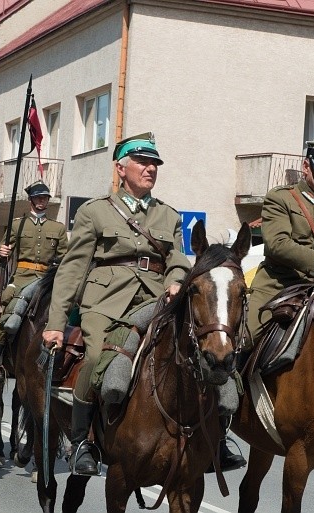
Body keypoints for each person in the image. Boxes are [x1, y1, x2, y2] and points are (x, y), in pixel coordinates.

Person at [41, 133, 191, 476]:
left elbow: (178, 259)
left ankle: (206, 435)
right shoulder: (95, 212)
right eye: (142, 161)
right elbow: (73, 268)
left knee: (197, 350)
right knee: (95, 358)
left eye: (154, 163)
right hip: (106, 302)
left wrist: (175, 281)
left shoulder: (169, 215)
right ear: (120, 168)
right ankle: (82, 440)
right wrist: (55, 322)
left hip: (155, 299)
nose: (150, 168)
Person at [247, 140, 314, 341]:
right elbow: (277, 244)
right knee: (248, 336)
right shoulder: (280, 199)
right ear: (306, 166)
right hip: (279, 284)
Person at [0, 180, 68, 383]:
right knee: (6, 316)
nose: (42, 201)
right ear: (31, 199)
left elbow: (65, 258)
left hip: (47, 279)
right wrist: (2, 253)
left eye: (45, 198)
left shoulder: (57, 228)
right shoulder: (17, 224)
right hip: (21, 278)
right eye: (38, 197)